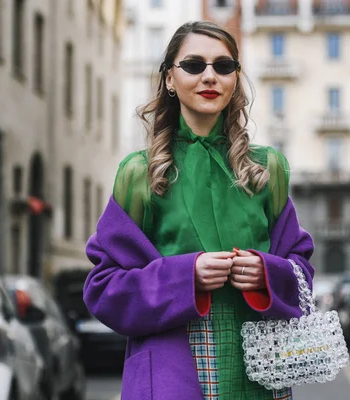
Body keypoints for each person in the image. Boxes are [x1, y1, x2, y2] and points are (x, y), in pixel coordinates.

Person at [83, 21, 315, 400]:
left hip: (260, 374)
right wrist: (186, 276)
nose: (210, 76)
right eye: (193, 65)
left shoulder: (266, 169)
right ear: (170, 79)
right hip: (172, 374)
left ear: (236, 79)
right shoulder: (140, 173)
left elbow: (301, 270)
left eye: (223, 66)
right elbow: (104, 287)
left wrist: (266, 272)